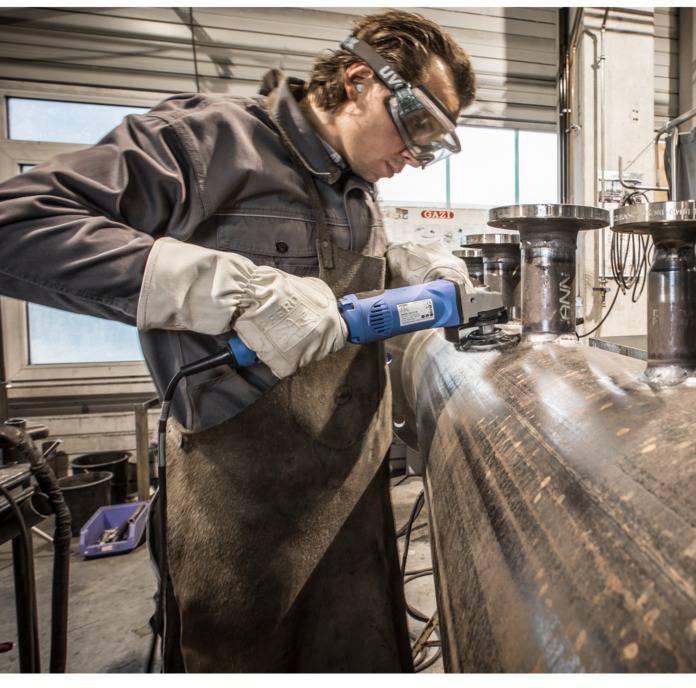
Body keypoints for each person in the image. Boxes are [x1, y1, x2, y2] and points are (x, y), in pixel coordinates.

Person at [0, 10, 476, 672]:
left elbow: (334, 298)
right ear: (363, 80)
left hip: (356, 509)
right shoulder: (207, 140)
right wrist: (232, 289)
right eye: (419, 126)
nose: (418, 157)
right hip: (243, 524)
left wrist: (416, 267)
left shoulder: (358, 189)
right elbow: (16, 225)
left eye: (438, 143)